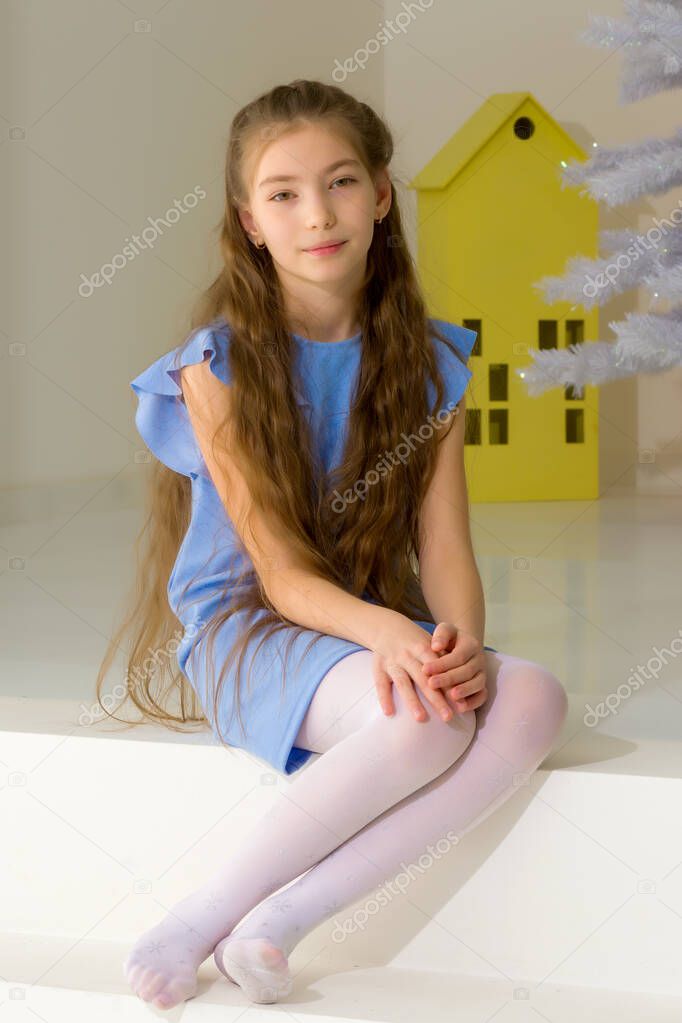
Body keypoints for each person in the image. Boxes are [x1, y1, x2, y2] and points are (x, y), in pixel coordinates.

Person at [98, 79, 568, 1010]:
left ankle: (282, 921)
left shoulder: (434, 361)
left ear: (383, 195)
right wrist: (389, 639)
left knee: (531, 702)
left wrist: (456, 637)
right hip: (252, 627)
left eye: (343, 181)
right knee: (423, 718)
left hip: (365, 621)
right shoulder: (216, 366)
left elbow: (445, 544)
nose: (318, 213)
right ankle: (202, 917)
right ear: (249, 222)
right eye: (283, 193)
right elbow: (274, 571)